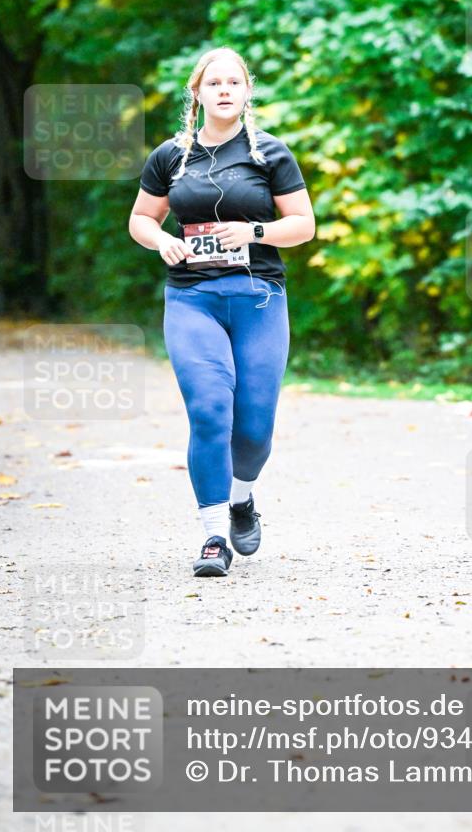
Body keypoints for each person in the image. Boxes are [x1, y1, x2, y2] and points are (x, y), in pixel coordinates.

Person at [129, 46, 315, 577]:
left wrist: (254, 231)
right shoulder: (172, 156)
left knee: (254, 427)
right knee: (210, 408)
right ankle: (213, 535)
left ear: (247, 91)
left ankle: (242, 499)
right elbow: (142, 218)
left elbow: (303, 224)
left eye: (234, 82)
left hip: (259, 297)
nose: (225, 90)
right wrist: (159, 241)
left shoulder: (270, 154)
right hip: (192, 298)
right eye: (215, 83)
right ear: (198, 93)